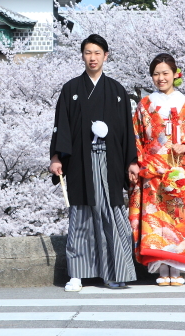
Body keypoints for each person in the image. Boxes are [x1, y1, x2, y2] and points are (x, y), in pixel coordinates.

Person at [49, 34, 139, 291]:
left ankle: (113, 272)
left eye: (97, 53)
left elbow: (126, 130)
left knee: (110, 214)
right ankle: (76, 273)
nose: (92, 57)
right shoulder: (71, 89)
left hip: (109, 161)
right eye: (88, 52)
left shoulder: (117, 91)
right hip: (80, 161)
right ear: (82, 56)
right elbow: (61, 126)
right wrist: (56, 157)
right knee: (80, 216)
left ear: (106, 56)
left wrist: (131, 161)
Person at [128, 53, 185, 286]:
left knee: (179, 218)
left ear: (175, 74)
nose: (160, 78)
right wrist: (136, 162)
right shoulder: (144, 104)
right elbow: (135, 135)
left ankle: (177, 269)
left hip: (180, 169)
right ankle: (161, 269)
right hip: (153, 170)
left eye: (165, 73)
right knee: (156, 219)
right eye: (156, 74)